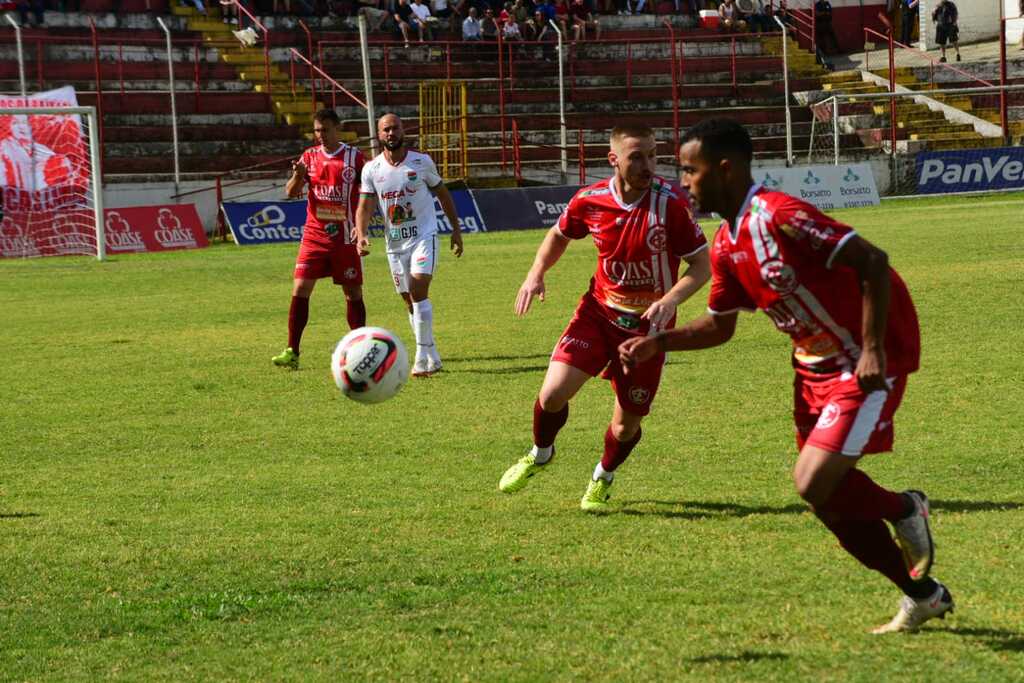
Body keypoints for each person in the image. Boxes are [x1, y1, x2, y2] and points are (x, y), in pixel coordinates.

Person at [619, 118, 953, 633]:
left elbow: (873, 261)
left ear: (724, 170)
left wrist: (870, 350)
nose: (683, 182)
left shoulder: (781, 216)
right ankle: (922, 594)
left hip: (863, 357)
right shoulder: (728, 243)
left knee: (811, 481)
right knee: (828, 502)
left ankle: (905, 508)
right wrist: (658, 342)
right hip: (810, 367)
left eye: (691, 170)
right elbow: (720, 327)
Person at [498, 124, 711, 513]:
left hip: (648, 331)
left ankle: (602, 478)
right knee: (551, 394)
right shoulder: (590, 200)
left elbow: (701, 264)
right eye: (636, 157)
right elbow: (560, 234)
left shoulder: (671, 206)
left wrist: (670, 299)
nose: (648, 164)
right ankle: (540, 453)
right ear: (613, 159)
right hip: (598, 314)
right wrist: (536, 273)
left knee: (624, 427)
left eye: (652, 154)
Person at [354, 114, 464, 377]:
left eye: (395, 128)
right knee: (408, 299)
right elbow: (365, 206)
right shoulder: (372, 169)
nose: (391, 133)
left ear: (403, 131)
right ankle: (432, 355)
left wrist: (456, 229)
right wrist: (361, 233)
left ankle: (420, 355)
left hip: (423, 237)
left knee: (417, 288)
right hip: (395, 244)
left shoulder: (421, 162)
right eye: (385, 130)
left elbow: (443, 194)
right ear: (379, 135)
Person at [272, 109, 366, 371]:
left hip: (345, 237)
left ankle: (361, 349)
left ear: (337, 129)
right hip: (314, 235)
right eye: (317, 130)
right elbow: (290, 192)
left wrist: (362, 228)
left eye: (325, 130)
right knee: (300, 288)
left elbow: (369, 194)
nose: (321, 135)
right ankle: (292, 351)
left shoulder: (354, 158)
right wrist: (298, 175)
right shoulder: (309, 157)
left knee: (352, 291)